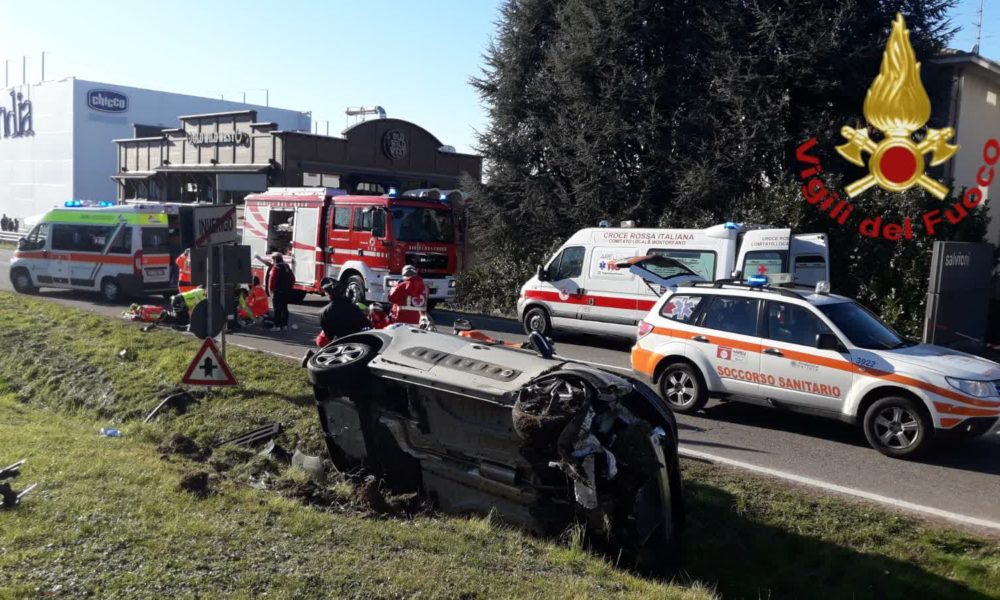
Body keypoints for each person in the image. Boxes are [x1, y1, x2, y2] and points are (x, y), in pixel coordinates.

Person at [315, 276, 369, 346]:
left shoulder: (323, 313)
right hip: (357, 345)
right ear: (343, 293)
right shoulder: (354, 308)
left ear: (329, 295)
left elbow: (328, 336)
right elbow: (366, 326)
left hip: (337, 346)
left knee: (320, 340)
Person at [259, 252, 294, 331]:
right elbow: (293, 278)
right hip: (286, 291)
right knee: (284, 308)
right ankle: (284, 325)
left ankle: (277, 326)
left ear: (275, 259)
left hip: (277, 291)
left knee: (277, 309)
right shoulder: (286, 266)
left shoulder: (276, 267)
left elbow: (272, 280)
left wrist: (271, 290)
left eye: (272, 259)